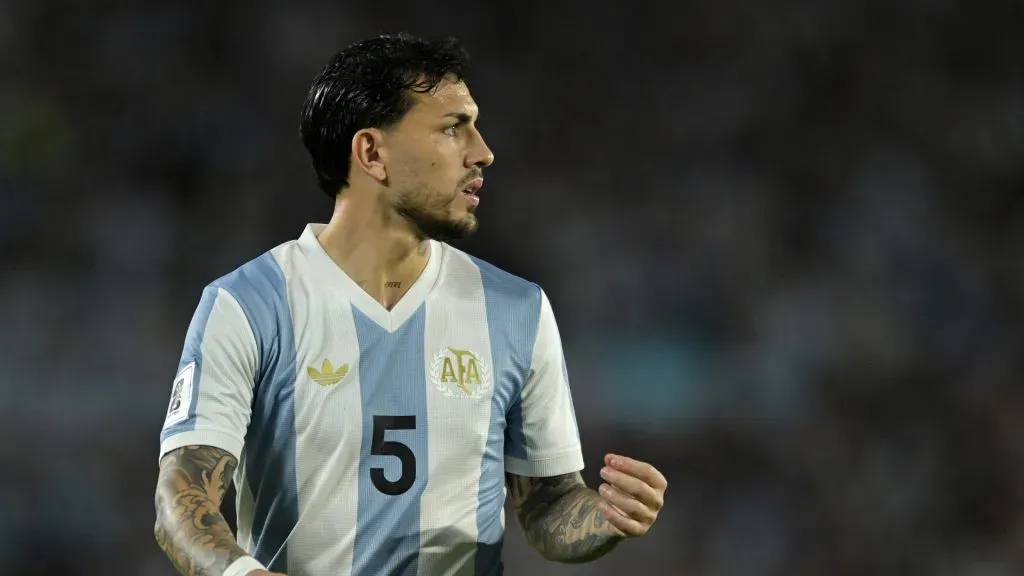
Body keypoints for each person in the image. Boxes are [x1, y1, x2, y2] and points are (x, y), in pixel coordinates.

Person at [153, 32, 667, 576]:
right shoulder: (248, 305)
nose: (483, 151)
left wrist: (605, 516)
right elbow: (183, 499)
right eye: (453, 128)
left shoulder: (517, 310)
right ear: (372, 153)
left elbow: (547, 506)